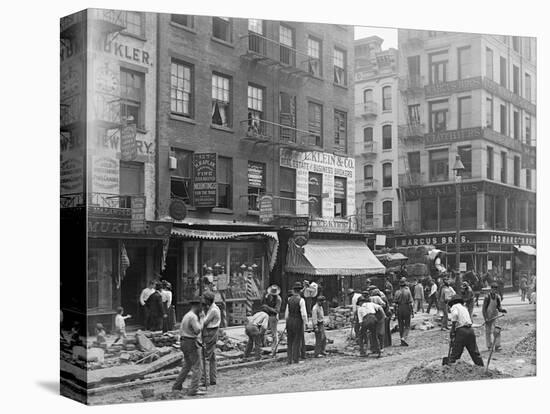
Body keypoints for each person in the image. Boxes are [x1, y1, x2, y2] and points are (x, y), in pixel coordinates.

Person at [172, 298, 205, 396]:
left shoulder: (187, 315)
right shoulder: (193, 317)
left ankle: (177, 385)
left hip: (183, 341)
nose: (203, 308)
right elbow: (198, 330)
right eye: (202, 306)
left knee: (187, 365)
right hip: (190, 342)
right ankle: (193, 390)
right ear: (198, 306)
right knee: (197, 367)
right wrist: (202, 319)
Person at [448, 295, 484, 366]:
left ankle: (449, 368)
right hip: (470, 330)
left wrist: (453, 328)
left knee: (456, 352)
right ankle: (481, 367)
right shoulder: (464, 308)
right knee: (474, 351)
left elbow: (455, 315)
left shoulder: (454, 307)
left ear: (453, 303)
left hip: (461, 331)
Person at [285, 282, 308, 364]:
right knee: (297, 340)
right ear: (300, 290)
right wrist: (306, 323)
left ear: (294, 290)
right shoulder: (301, 300)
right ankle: (296, 359)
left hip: (290, 320)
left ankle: (289, 359)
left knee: (290, 341)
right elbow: (304, 314)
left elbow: (286, 313)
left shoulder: (289, 300)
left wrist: (287, 322)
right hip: (298, 321)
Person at [201, 291, 220, 386]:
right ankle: (213, 379)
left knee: (205, 356)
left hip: (210, 331)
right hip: (212, 331)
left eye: (204, 299)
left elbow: (204, 322)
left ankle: (205, 380)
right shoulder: (212, 308)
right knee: (212, 357)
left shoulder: (213, 310)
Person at [482, 283, 507, 351]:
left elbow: (499, 306)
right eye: (493, 289)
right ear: (491, 289)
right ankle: (489, 346)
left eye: (495, 289)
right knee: (488, 331)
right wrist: (486, 318)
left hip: (495, 316)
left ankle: (497, 345)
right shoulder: (487, 297)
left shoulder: (497, 297)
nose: (494, 290)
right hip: (488, 315)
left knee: (497, 330)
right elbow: (484, 309)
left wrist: (502, 310)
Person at [262, 284, 282, 357]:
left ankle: (274, 349)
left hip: (273, 316)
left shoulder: (278, 299)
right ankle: (266, 346)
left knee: (274, 333)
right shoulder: (269, 297)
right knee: (265, 331)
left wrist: (267, 307)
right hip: (268, 315)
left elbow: (277, 310)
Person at [394, 278, 413, 346]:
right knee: (407, 325)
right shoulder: (408, 291)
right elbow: (410, 302)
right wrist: (412, 312)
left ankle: (402, 341)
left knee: (401, 325)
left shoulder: (397, 292)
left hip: (399, 308)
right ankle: (404, 338)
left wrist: (395, 313)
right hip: (406, 308)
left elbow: (395, 303)